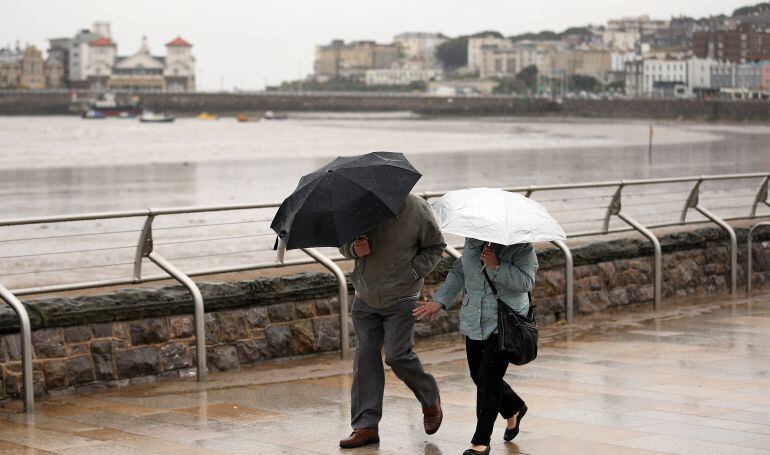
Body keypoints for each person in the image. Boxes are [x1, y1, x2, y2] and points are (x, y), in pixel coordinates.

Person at [337, 193, 447, 449]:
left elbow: (436, 247)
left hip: (402, 297)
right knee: (365, 360)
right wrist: (354, 248)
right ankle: (365, 426)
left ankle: (430, 398)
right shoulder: (357, 206)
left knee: (397, 356)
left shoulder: (417, 207)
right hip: (365, 297)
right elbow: (343, 243)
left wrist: (412, 272)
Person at [413, 238, 538, 455]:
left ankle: (481, 441)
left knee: (488, 382)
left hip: (503, 324)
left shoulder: (521, 246)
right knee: (478, 376)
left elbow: (526, 282)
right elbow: (460, 272)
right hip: (474, 320)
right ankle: (513, 407)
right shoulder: (473, 241)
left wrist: (497, 265)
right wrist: (440, 301)